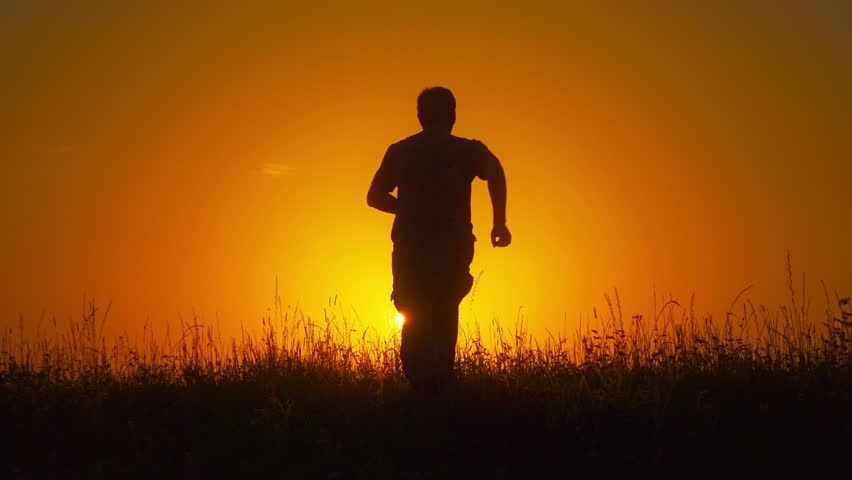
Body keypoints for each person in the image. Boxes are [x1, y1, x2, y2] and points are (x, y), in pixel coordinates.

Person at [367, 86, 511, 392]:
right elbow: (495, 171)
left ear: (420, 116)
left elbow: (375, 196)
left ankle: (425, 389)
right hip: (449, 248)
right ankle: (436, 389)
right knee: (443, 313)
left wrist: (407, 209)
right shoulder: (467, 150)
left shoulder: (402, 151)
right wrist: (499, 223)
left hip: (413, 249)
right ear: (453, 115)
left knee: (416, 314)